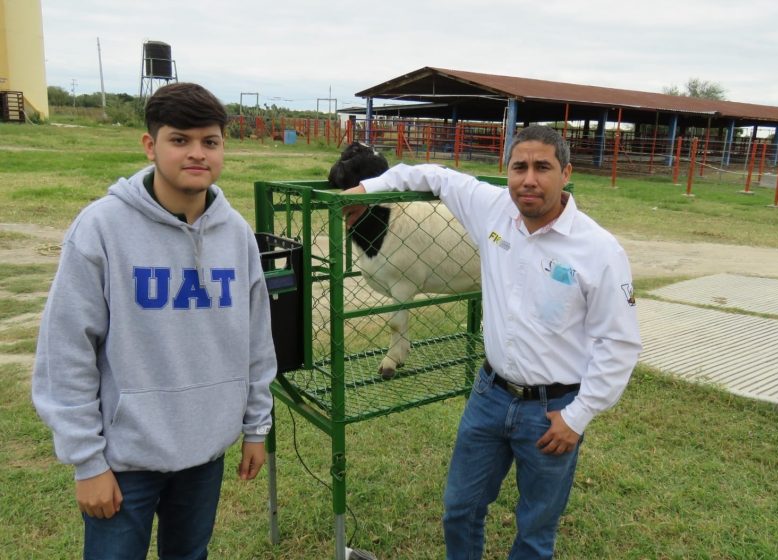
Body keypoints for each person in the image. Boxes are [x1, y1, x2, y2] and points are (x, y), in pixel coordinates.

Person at [342, 125, 642, 559]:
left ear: (566, 173)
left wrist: (579, 415)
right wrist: (368, 188)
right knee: (459, 510)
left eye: (543, 167)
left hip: (552, 410)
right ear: (508, 171)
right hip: (490, 395)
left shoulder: (599, 250)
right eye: (519, 167)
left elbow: (620, 343)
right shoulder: (493, 209)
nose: (529, 179)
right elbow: (432, 175)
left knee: (535, 531)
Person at [31, 82, 277, 559]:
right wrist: (87, 462)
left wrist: (254, 428)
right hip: (125, 460)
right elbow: (66, 349)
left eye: (210, 141)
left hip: (205, 452)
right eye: (179, 139)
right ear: (150, 145)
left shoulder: (237, 235)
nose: (197, 153)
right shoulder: (101, 228)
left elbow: (256, 341)